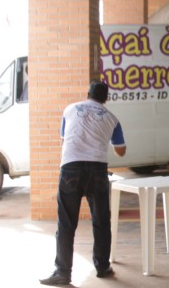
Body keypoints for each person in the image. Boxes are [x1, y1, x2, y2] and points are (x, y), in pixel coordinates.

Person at [40, 81, 127, 286]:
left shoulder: (70, 109)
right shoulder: (112, 119)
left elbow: (64, 141)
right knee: (101, 220)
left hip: (70, 167)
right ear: (106, 98)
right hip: (97, 170)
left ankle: (62, 272)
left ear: (88, 94)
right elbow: (121, 150)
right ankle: (102, 266)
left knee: (66, 222)